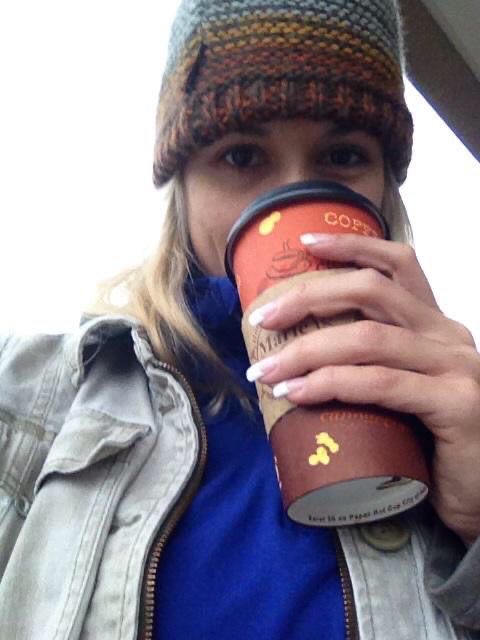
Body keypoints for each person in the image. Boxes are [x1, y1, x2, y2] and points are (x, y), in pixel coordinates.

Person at [1, 0, 479, 638]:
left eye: (343, 155)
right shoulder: (33, 396)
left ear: (384, 189)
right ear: (183, 185)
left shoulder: (452, 407)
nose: (288, 194)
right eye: (241, 156)